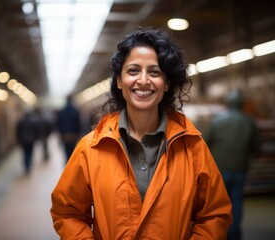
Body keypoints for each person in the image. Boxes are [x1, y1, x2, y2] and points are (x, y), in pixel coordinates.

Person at [50, 27, 232, 239]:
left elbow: (214, 214)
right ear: (119, 81)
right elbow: (66, 212)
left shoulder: (192, 147)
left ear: (166, 83)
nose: (144, 80)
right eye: (133, 70)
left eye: (154, 72)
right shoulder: (91, 148)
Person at [204, 90, 261, 240]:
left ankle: (219, 232)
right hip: (240, 168)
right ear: (241, 104)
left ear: (228, 103)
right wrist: (251, 155)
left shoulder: (217, 121)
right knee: (237, 201)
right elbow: (256, 146)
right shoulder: (249, 121)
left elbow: (205, 143)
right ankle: (234, 234)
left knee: (217, 203)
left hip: (219, 169)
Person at [16, 108, 41, 175]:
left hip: (23, 141)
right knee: (30, 153)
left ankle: (26, 166)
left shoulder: (21, 121)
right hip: (31, 141)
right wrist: (36, 138)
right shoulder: (33, 121)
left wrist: (18, 139)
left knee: (25, 153)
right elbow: (37, 131)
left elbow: (18, 131)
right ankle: (29, 165)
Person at [56, 95, 81, 163]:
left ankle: (67, 165)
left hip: (65, 136)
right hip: (73, 136)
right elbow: (78, 123)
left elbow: (59, 124)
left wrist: (60, 134)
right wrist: (78, 134)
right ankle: (71, 166)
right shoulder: (75, 110)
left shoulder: (62, 111)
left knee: (66, 152)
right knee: (72, 153)